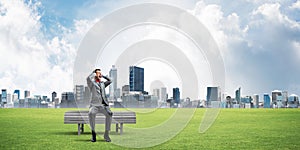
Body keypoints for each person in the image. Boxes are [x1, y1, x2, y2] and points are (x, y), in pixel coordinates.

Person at [87, 69, 113, 142]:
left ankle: (106, 134)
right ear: (95, 75)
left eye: (100, 73)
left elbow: (110, 80)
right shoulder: (91, 84)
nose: (99, 74)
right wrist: (93, 73)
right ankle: (93, 134)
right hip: (94, 105)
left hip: (103, 105)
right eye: (98, 73)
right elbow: (88, 78)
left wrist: (103, 76)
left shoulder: (103, 84)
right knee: (91, 113)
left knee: (109, 113)